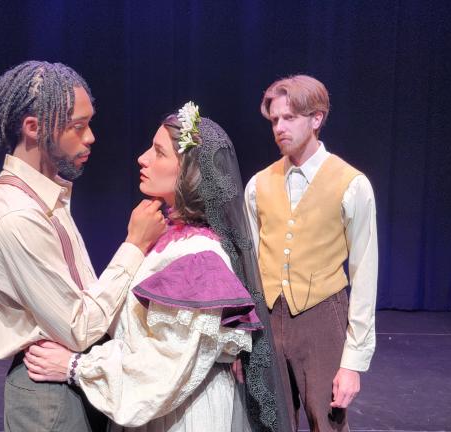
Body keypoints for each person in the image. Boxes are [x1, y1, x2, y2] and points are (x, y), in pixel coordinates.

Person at [24, 102, 295, 431]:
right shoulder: (166, 238)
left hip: (184, 414)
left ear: (190, 173)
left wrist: (75, 367)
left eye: (159, 152)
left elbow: (165, 365)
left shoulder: (199, 258)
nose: (143, 158)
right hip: (159, 409)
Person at [0, 60, 167, 432]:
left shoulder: (45, 196)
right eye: (78, 126)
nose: (90, 137)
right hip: (49, 394)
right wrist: (135, 244)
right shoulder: (17, 217)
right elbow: (76, 327)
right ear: (33, 128)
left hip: (74, 377)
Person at [244, 75, 379, 432]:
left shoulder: (351, 184)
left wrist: (353, 362)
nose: (279, 128)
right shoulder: (258, 185)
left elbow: (365, 272)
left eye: (289, 118)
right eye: (274, 120)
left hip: (322, 317)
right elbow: (250, 267)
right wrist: (243, 334)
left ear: (316, 118)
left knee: (328, 424)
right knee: (272, 423)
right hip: (269, 318)